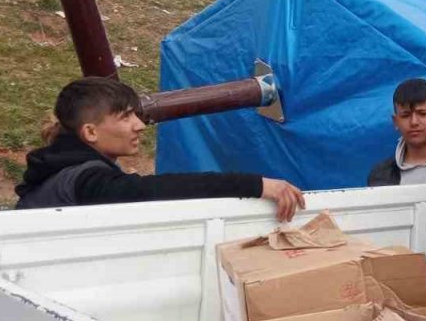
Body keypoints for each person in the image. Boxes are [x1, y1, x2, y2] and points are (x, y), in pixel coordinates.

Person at [16, 77, 306, 220]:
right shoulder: (83, 179)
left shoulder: (66, 170)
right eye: (125, 117)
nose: (140, 125)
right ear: (90, 132)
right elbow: (153, 191)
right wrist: (255, 185)